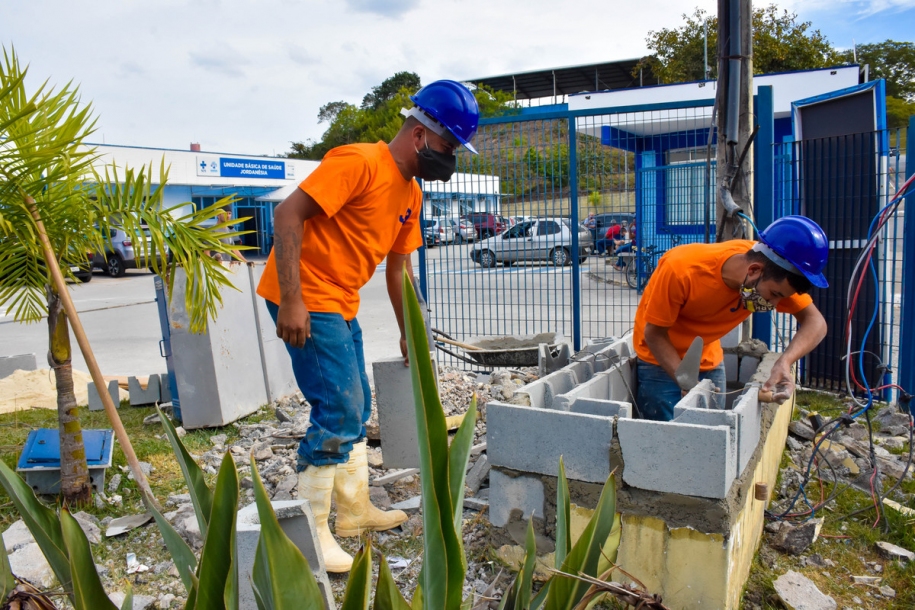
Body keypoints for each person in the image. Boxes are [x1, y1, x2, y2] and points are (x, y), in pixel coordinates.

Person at [256, 80, 480, 572]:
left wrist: (410, 332)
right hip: (306, 297)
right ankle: (309, 536)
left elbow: (399, 270)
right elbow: (287, 213)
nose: (452, 159)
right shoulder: (359, 162)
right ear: (421, 136)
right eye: (449, 147)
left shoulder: (411, 196)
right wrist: (292, 301)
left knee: (356, 402)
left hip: (341, 301)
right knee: (338, 406)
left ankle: (354, 513)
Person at [632, 216, 829, 422]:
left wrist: (784, 362)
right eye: (775, 295)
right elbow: (654, 334)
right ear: (754, 270)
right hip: (659, 361)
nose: (774, 304)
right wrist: (687, 383)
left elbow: (817, 323)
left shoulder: (775, 269)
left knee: (714, 438)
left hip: (707, 358)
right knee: (665, 440)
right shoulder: (681, 270)